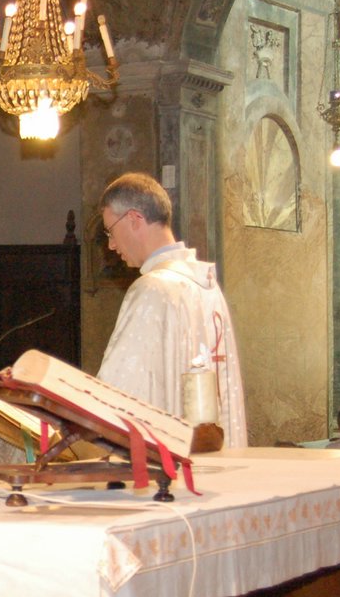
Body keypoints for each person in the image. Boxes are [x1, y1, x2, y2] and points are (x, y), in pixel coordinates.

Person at [95, 172, 247, 449]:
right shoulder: (207, 287)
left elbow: (119, 397)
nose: (112, 245)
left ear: (133, 218)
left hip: (175, 477)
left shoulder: (153, 289)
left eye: (110, 231)